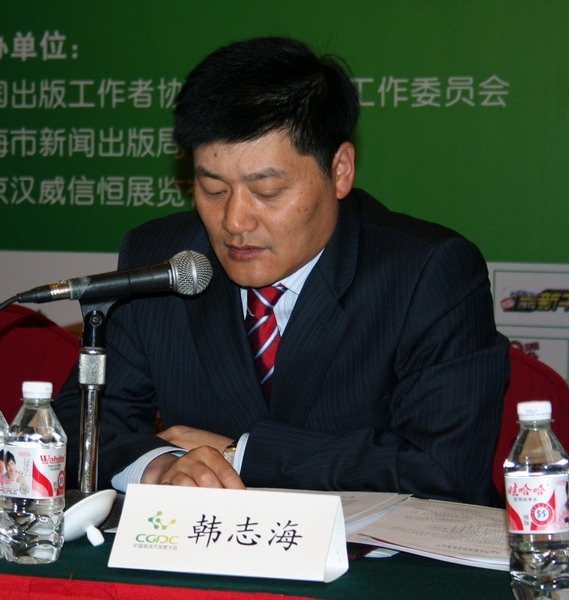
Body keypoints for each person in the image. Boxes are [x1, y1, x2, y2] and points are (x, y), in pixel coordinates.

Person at [54, 36, 510, 506]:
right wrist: (158, 465)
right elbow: (73, 425)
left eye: (267, 191)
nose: (235, 222)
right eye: (213, 190)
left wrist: (241, 456)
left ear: (339, 170)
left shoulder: (427, 273)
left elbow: (443, 469)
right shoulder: (165, 259)